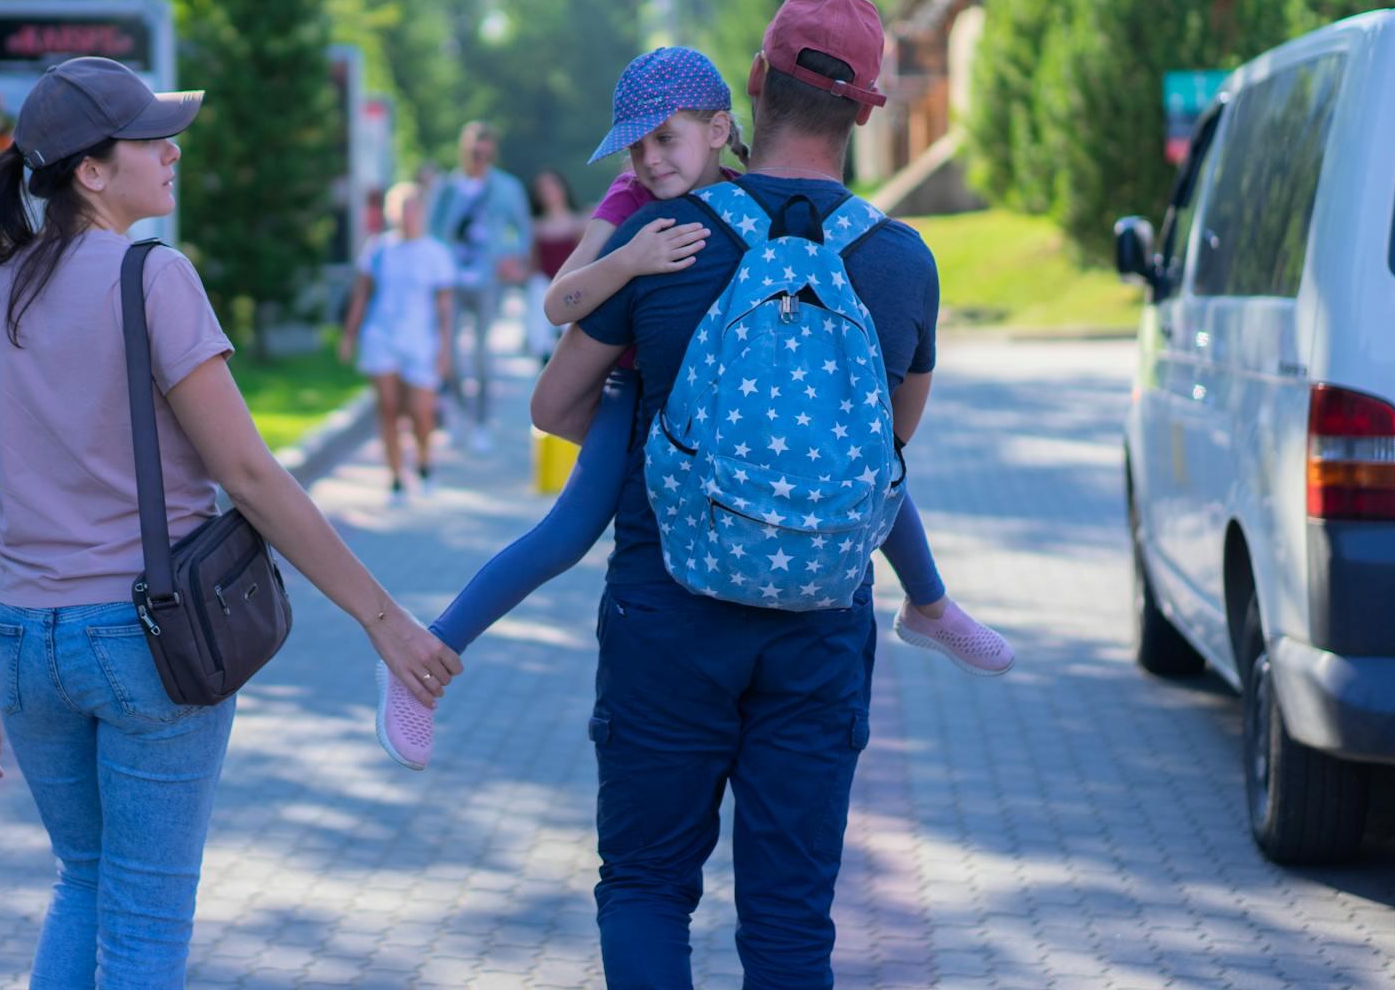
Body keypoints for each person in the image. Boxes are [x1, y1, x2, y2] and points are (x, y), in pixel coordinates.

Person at [0, 57, 460, 990]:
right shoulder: (152, 277)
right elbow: (248, 473)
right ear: (92, 170)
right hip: (147, 643)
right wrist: (384, 620)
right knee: (143, 921)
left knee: (82, 883)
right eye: (150, 138)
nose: (172, 152)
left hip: (23, 644)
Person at [371, 45, 1008, 772]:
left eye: (663, 139)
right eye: (636, 146)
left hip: (717, 408)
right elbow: (558, 303)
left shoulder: (746, 202)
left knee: (864, 462)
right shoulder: (628, 205)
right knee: (566, 533)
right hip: (632, 394)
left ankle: (929, 606)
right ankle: (425, 659)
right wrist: (630, 260)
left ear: (718, 130)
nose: (648, 160)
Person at [530, 0, 941, 988]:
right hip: (818, 621)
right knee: (792, 918)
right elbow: (892, 443)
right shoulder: (901, 263)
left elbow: (555, 403)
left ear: (752, 90)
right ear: (868, 110)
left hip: (668, 605)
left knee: (645, 886)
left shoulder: (670, 237)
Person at [338, 182, 457, 506]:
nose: (408, 216)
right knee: (387, 408)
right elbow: (362, 294)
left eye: (414, 209)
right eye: (403, 209)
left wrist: (446, 350)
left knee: (421, 410)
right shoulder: (379, 249)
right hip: (381, 336)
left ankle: (424, 462)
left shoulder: (436, 253)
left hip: (421, 340)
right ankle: (394, 478)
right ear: (394, 213)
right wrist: (349, 335)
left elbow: (445, 309)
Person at [428, 122, 534, 452]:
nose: (479, 155)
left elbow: (522, 231)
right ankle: (461, 413)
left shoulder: (506, 187)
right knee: (452, 355)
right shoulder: (448, 188)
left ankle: (481, 423)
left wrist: (512, 258)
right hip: (452, 281)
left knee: (482, 355)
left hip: (488, 281)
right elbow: (432, 231)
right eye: (474, 149)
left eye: (485, 150)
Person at [525, 169, 587, 361]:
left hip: (571, 287)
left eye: (552, 186)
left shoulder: (579, 222)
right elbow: (532, 264)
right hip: (543, 287)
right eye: (542, 188)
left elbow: (586, 259)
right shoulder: (534, 226)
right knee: (541, 338)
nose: (548, 192)